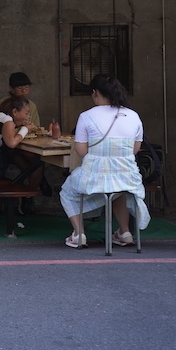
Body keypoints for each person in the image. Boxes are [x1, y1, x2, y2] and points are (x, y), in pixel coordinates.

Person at [59, 74, 151, 248]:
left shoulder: (86, 116)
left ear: (95, 93)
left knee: (66, 192)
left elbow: (81, 151)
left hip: (94, 177)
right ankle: (125, 232)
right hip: (128, 178)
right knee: (118, 190)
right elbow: (135, 149)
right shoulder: (133, 116)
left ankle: (79, 234)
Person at [0, 72, 59, 200]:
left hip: (25, 143)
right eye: (20, 87)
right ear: (11, 89)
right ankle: (33, 190)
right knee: (33, 163)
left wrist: (30, 129)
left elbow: (35, 127)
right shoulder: (4, 103)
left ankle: (28, 198)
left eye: (27, 87)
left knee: (33, 159)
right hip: (7, 144)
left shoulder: (31, 105)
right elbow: (3, 128)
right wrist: (22, 128)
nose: (24, 90)